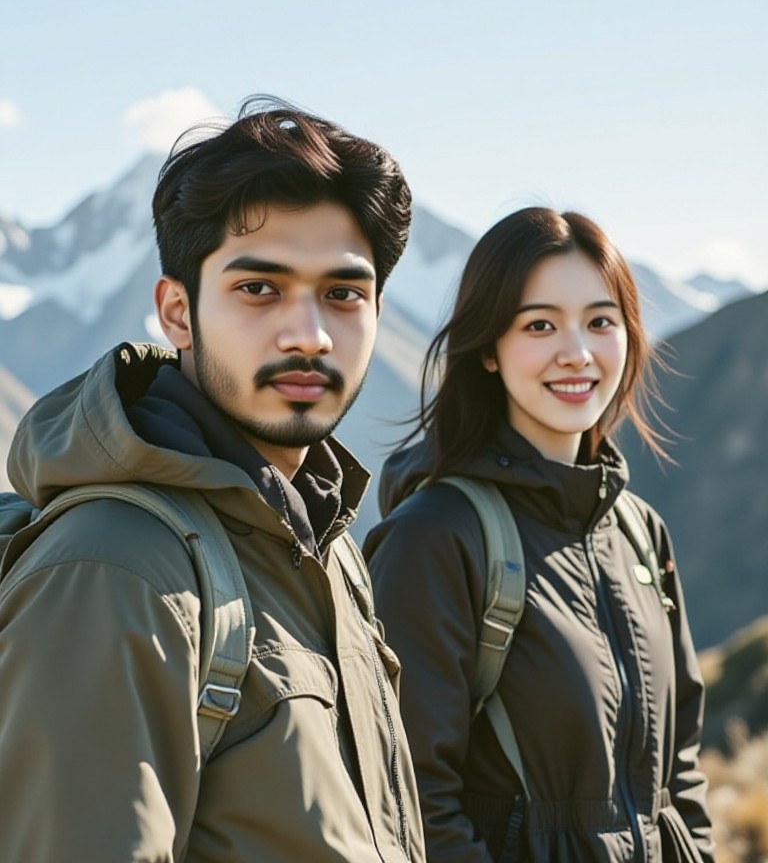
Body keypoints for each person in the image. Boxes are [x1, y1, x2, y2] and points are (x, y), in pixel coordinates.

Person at [0, 97, 425, 863]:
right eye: (259, 289)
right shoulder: (115, 568)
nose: (310, 334)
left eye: (343, 293)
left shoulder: (324, 543)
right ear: (177, 312)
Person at [364, 207, 713, 863]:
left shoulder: (641, 534)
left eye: (600, 322)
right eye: (539, 325)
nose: (576, 353)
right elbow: (411, 798)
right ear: (489, 350)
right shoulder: (436, 538)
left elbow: (680, 776)